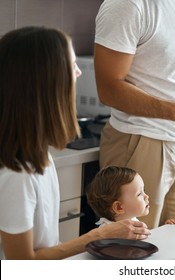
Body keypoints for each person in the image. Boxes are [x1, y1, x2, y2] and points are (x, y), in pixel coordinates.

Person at [0, 26, 150, 260]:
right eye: (72, 65)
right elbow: (21, 265)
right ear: (48, 82)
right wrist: (96, 237)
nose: (79, 72)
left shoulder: (39, 155)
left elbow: (46, 245)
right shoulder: (17, 173)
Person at [94, 0, 175, 228]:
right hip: (138, 141)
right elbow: (108, 89)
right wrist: (174, 111)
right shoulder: (127, 6)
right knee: (133, 251)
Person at [87, 166, 175, 231]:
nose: (146, 196)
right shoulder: (107, 233)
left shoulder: (133, 221)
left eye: (143, 191)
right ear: (119, 207)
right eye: (139, 194)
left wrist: (166, 230)